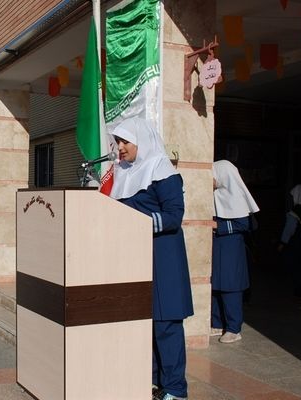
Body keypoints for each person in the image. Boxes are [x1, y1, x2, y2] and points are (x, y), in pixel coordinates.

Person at [108, 117, 193, 400]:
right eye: (117, 142)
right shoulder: (124, 172)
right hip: (136, 258)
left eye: (125, 142)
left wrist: (134, 221)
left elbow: (173, 216)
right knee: (145, 324)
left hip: (163, 257)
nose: (120, 148)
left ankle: (176, 390)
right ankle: (156, 382)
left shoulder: (160, 169)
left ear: (141, 141)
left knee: (165, 323)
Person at [211, 160, 260, 344]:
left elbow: (244, 224)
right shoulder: (216, 194)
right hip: (217, 246)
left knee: (230, 287)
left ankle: (233, 328)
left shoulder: (236, 195)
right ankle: (216, 323)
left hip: (231, 249)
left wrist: (218, 225)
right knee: (215, 285)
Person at [278, 184, 301, 302]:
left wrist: (282, 243)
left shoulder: (295, 212)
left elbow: (289, 230)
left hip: (297, 244)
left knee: (297, 267)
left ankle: (298, 292)